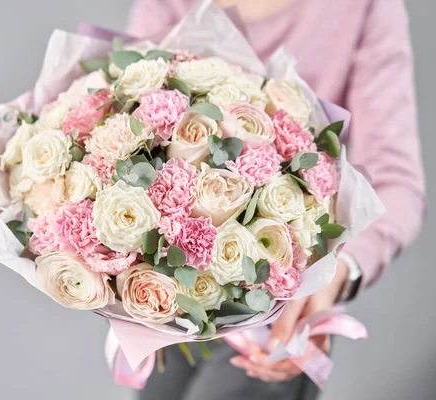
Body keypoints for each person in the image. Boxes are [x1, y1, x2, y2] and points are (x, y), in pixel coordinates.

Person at [125, 0, 426, 399]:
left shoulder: (364, 7)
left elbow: (396, 182)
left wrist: (338, 273)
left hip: (287, 305)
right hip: (167, 297)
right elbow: (131, 112)